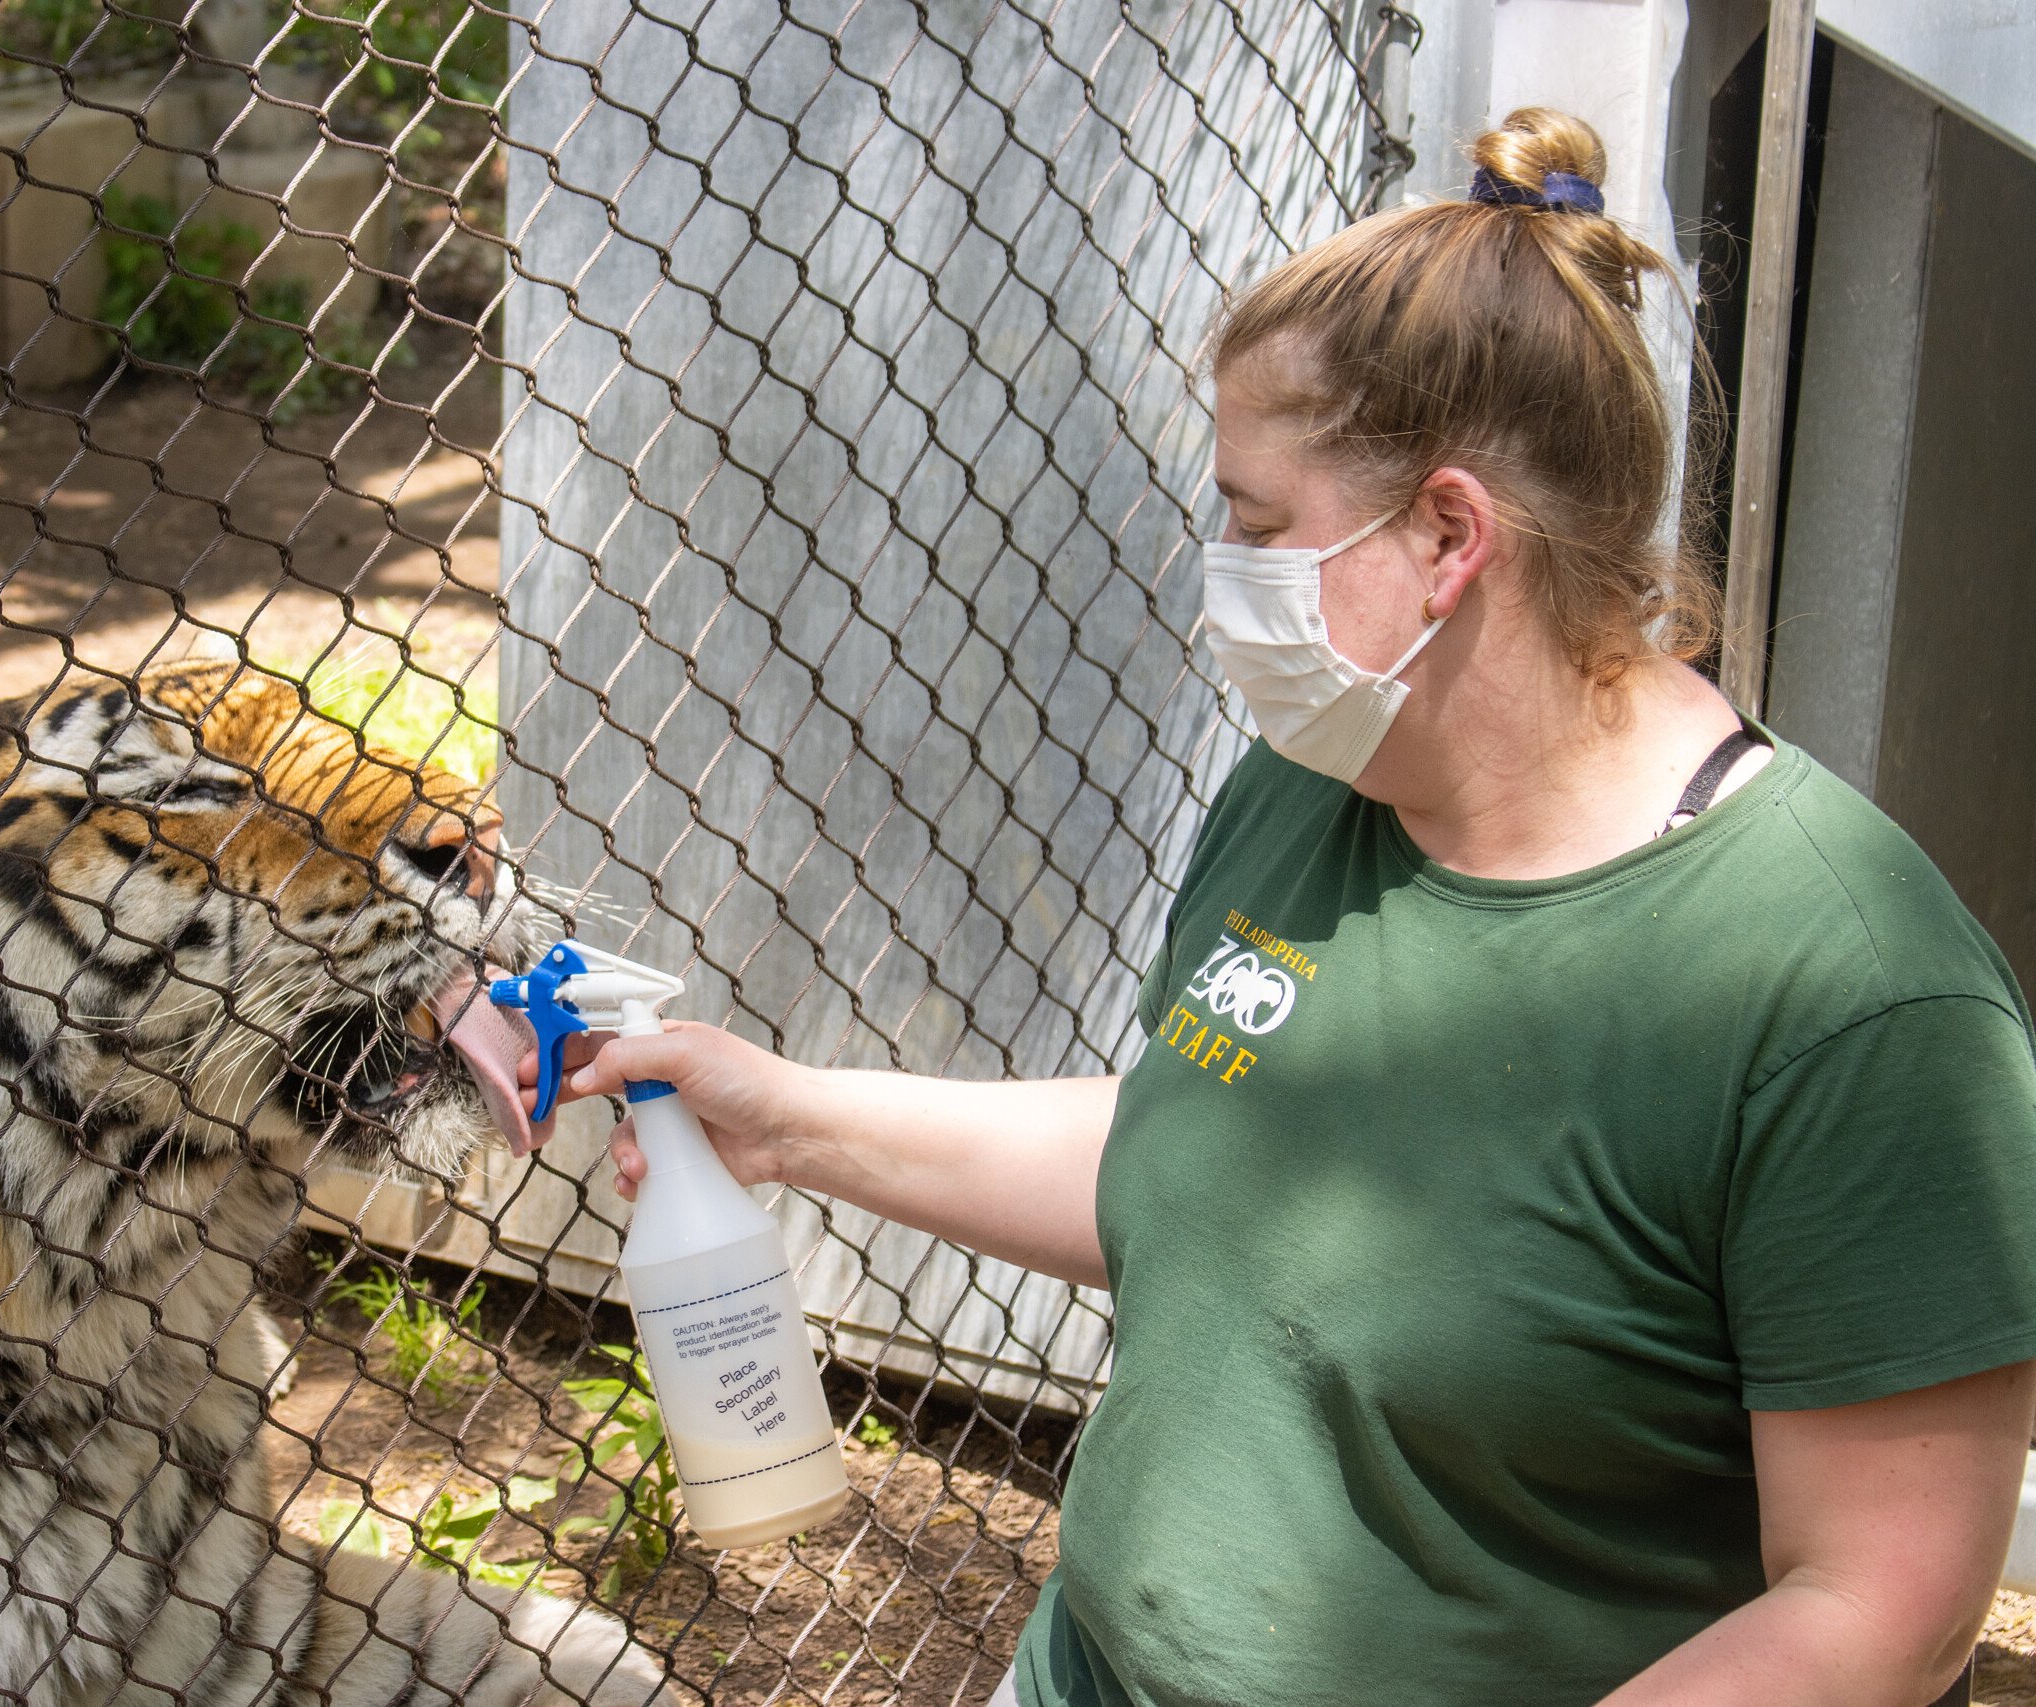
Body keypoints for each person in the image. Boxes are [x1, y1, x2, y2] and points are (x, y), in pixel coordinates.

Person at [537, 108, 2036, 1706]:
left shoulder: (1845, 997)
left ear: (1451, 536)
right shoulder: (1324, 786)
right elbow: (1202, 1140)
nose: (1219, 571)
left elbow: (1884, 1601)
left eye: (1258, 524)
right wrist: (786, 1120)